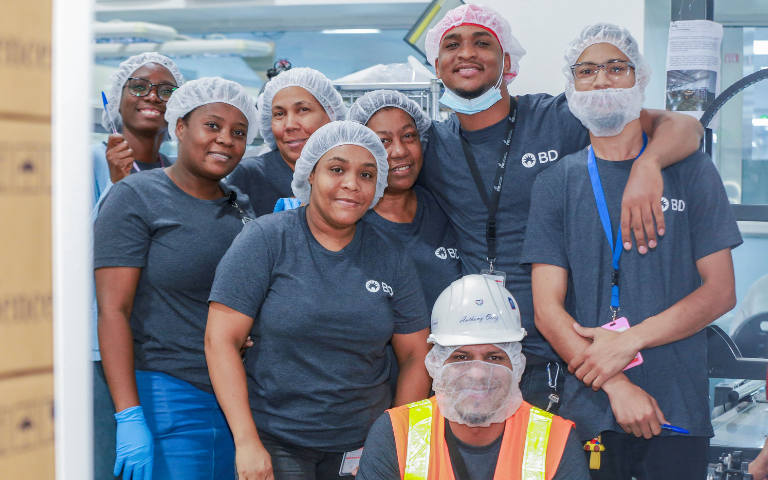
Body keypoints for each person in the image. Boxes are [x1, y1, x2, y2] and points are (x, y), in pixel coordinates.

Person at [418, 3, 706, 413]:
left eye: (482, 42)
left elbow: (683, 127)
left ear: (508, 61)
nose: (466, 53)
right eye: (452, 44)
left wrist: (649, 164)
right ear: (437, 63)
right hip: (474, 350)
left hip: (561, 348)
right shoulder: (434, 145)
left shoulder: (557, 117)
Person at [521, 24, 742, 479]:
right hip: (588, 410)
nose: (601, 80)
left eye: (616, 68)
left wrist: (630, 340)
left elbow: (720, 292)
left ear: (640, 78)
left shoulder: (692, 172)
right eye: (587, 71)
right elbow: (547, 310)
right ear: (572, 85)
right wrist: (617, 385)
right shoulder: (556, 183)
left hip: (676, 404)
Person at [205, 121, 432, 480]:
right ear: (309, 174)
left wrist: (399, 437)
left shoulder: (390, 255)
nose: (351, 185)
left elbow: (417, 352)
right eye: (337, 169)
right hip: (277, 442)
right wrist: (247, 441)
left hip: (363, 445)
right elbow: (220, 340)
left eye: (367, 174)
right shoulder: (267, 239)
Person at [94, 77, 258, 480]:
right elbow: (114, 310)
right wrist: (130, 416)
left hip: (239, 398)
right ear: (180, 127)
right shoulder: (135, 196)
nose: (225, 140)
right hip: (167, 396)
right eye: (213, 126)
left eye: (239, 133)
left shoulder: (241, 205)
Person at [355, 274, 591, 480]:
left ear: (517, 364)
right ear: (436, 363)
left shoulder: (554, 441)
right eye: (461, 357)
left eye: (494, 358)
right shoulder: (397, 433)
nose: (478, 373)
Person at [92, 51, 183, 480]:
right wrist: (116, 188)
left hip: (157, 356)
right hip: (100, 351)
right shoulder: (89, 161)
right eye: (140, 86)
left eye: (167, 90)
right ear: (117, 97)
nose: (154, 96)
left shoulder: (175, 174)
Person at [348, 89, 461, 312]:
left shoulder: (445, 207)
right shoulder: (350, 222)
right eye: (383, 141)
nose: (399, 151)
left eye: (409, 136)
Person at [226, 67, 346, 216]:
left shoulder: (349, 173)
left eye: (303, 110)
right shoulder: (250, 175)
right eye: (279, 114)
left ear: (331, 114)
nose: (289, 125)